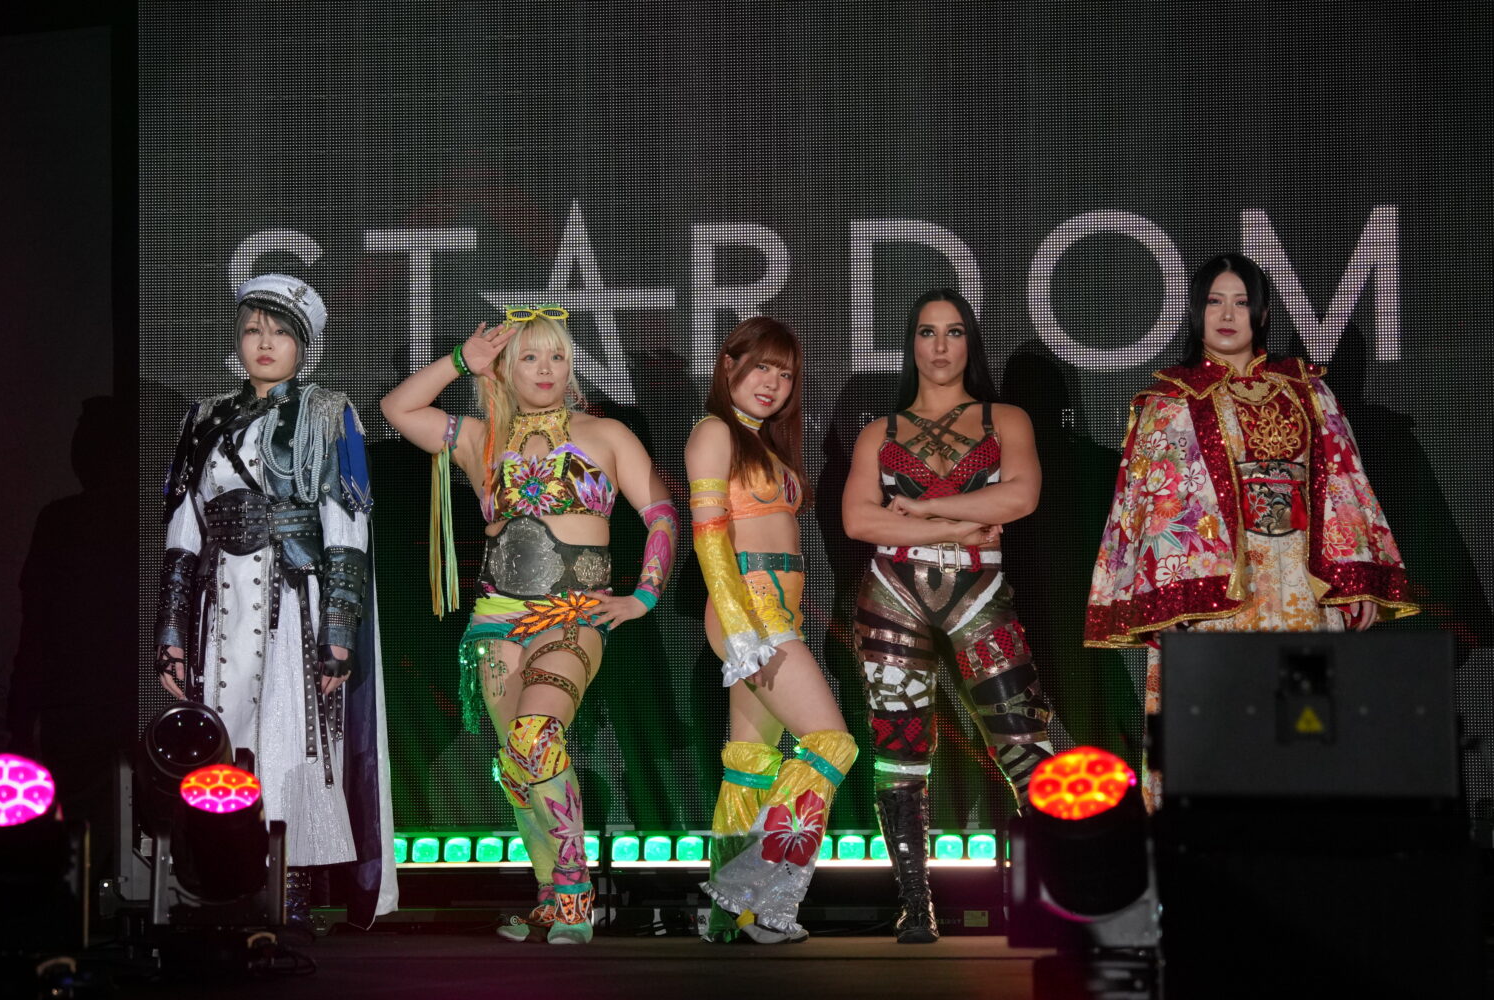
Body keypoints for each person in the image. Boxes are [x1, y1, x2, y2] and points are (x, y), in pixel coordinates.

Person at [380, 306, 676, 945]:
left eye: (558, 357)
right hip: (495, 622)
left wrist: (644, 596)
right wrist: (461, 362)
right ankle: (547, 896)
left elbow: (660, 513)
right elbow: (397, 408)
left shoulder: (606, 434)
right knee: (519, 764)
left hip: (571, 615)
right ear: (506, 369)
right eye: (530, 357)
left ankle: (574, 894)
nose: (546, 370)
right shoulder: (480, 439)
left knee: (536, 738)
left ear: (572, 368)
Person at [1084, 253, 1418, 807]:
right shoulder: (1170, 399)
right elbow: (1152, 505)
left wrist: (1354, 580)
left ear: (1261, 314)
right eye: (1214, 301)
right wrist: (1175, 596)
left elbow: (1342, 481)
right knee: (1220, 717)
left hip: (1301, 577)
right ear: (1196, 311)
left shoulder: (1306, 389)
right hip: (1218, 582)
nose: (1227, 315)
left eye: (1241, 302)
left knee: (1304, 716)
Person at [155, 274, 397, 928]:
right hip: (220, 605)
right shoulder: (203, 417)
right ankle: (223, 877)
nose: (264, 343)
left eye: (280, 332)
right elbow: (183, 529)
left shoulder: (329, 412)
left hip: (294, 600)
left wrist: (338, 630)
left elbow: (346, 526)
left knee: (293, 739)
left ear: (303, 344)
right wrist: (172, 632)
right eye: (253, 331)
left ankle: (289, 881)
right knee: (223, 736)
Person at [841, 288, 1055, 943]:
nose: (940, 346)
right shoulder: (878, 432)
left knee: (1024, 740)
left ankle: (1047, 899)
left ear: (971, 343)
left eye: (954, 332)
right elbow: (858, 520)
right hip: (892, 595)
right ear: (911, 343)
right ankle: (916, 906)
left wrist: (920, 511)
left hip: (979, 594)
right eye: (927, 332)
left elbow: (1021, 497)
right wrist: (963, 523)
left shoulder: (1006, 419)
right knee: (900, 752)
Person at [687, 316, 858, 945]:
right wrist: (740, 630)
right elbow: (710, 537)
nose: (773, 383)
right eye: (761, 366)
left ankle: (732, 916)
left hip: (777, 612)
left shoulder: (763, 443)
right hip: (750, 610)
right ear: (729, 365)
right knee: (832, 745)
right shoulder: (714, 431)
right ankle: (750, 887)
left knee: (750, 764)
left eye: (785, 374)